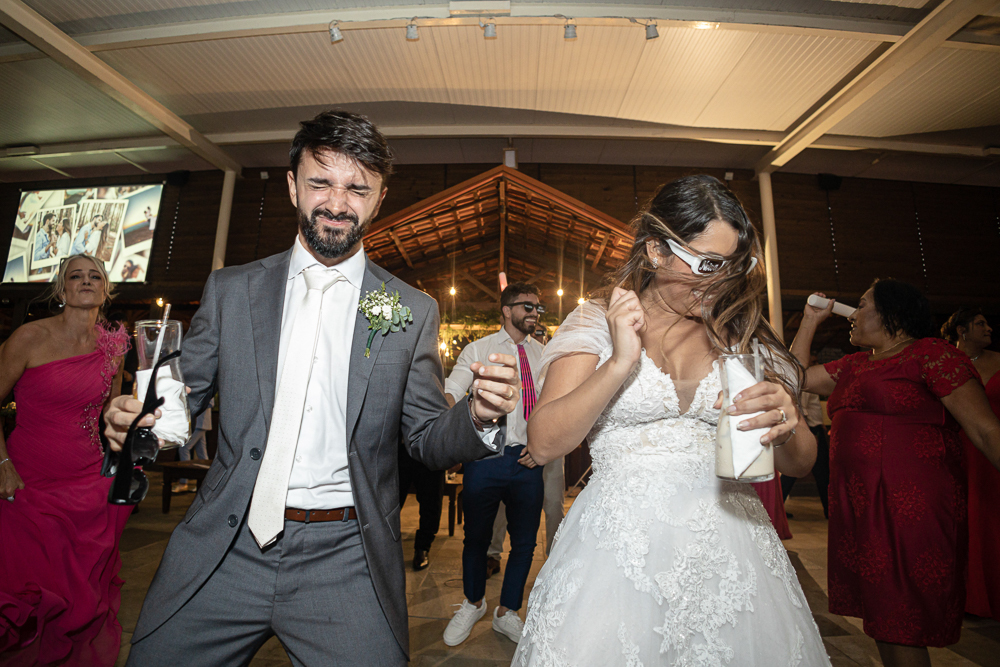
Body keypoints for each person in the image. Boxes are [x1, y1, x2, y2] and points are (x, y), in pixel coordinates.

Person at [103, 110, 520, 667]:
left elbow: (423, 435)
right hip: (227, 544)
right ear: (294, 186)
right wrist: (133, 423)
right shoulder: (231, 291)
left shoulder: (409, 310)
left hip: (346, 555)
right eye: (320, 182)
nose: (337, 203)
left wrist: (479, 415)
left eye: (357, 188)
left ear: (378, 199)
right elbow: (177, 404)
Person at [514, 175, 830, 665]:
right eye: (706, 264)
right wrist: (620, 362)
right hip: (619, 551)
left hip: (732, 546)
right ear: (657, 251)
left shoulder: (744, 334)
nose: (721, 281)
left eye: (732, 267)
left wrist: (787, 424)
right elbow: (546, 440)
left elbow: (800, 463)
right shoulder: (597, 322)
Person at [792, 283, 1000, 667]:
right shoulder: (854, 365)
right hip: (861, 511)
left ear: (893, 314)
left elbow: (986, 429)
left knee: (901, 618)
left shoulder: (930, 354)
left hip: (909, 509)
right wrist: (809, 321)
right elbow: (794, 379)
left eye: (862, 306)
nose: (852, 314)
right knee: (882, 619)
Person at [0, 255, 132, 666]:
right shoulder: (28, 337)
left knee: (81, 596)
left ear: (106, 289)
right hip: (28, 483)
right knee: (32, 590)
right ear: (62, 289)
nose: (86, 281)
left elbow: (112, 416)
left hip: (89, 488)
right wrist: (1, 465)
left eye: (95, 276)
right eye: (76, 276)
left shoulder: (114, 345)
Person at [442, 282, 545, 646]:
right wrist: (442, 407)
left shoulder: (542, 355)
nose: (534, 313)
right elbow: (453, 390)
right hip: (483, 457)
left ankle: (508, 612)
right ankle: (473, 602)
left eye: (537, 307)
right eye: (527, 307)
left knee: (525, 543)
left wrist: (544, 446)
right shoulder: (479, 349)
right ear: (506, 309)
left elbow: (552, 404)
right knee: (476, 538)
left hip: (528, 460)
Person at [943, 308, 1000, 621]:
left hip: (992, 451)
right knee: (963, 520)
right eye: (980, 324)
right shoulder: (945, 363)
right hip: (958, 450)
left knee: (992, 519)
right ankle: (967, 595)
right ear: (962, 331)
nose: (988, 328)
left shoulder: (999, 360)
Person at [397, 438, 444, 570]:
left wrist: (455, 455)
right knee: (390, 504)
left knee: (431, 503)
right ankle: (385, 547)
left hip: (431, 449)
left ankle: (423, 548)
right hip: (398, 449)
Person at [171, 399, 213, 494]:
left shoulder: (205, 384)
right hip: (200, 422)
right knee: (202, 454)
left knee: (184, 448)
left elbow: (207, 402)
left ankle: (183, 482)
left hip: (199, 421)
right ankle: (206, 484)